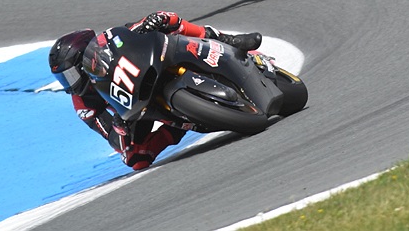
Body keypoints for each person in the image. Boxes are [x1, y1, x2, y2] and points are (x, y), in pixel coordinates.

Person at [48, 11, 262, 170]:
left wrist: (152, 22)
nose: (70, 84)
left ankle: (227, 39)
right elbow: (113, 140)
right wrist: (120, 127)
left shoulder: (113, 40)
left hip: (149, 67)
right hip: (134, 110)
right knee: (134, 159)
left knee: (167, 22)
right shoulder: (83, 103)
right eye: (64, 79)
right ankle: (180, 125)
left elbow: (146, 24)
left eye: (71, 75)